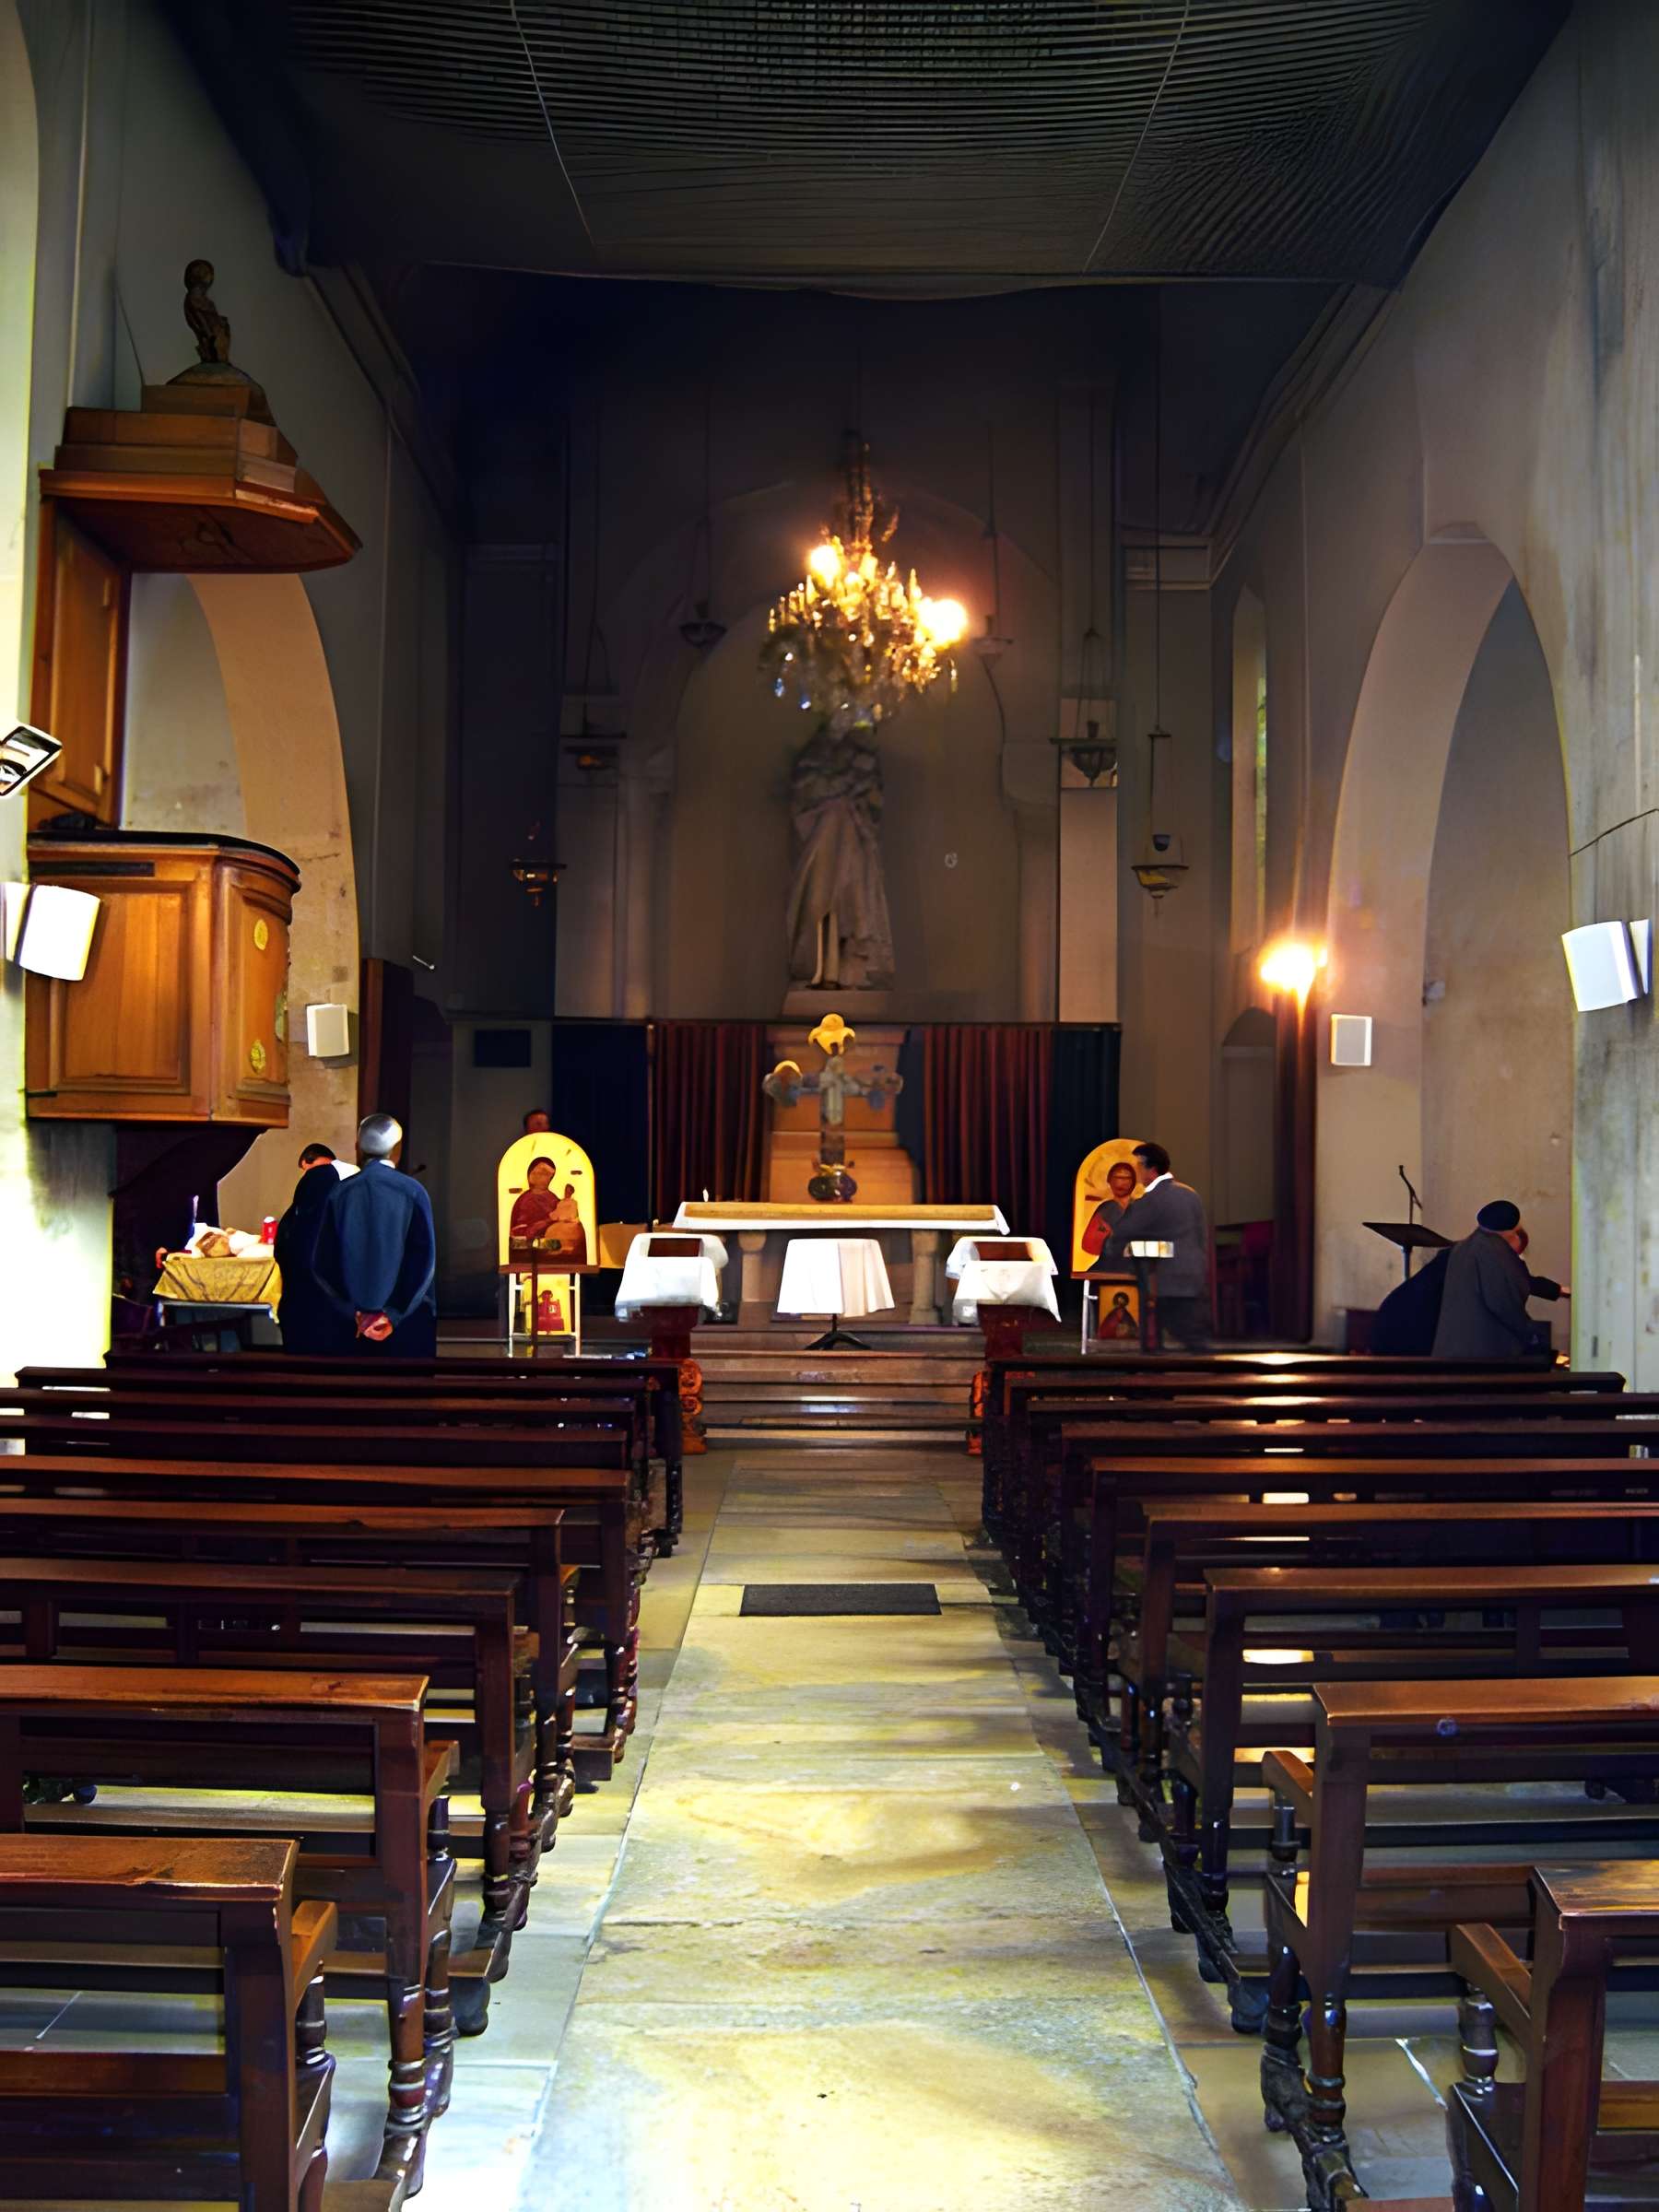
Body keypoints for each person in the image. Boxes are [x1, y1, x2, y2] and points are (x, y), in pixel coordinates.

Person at [312, 1112, 438, 1357]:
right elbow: (422, 1261)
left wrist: (354, 1312)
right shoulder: (413, 1192)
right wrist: (393, 1313)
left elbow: (323, 1262)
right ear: (397, 1150)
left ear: (358, 1147)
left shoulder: (339, 1193)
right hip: (405, 1324)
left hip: (351, 1326)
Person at [1372, 1220, 1566, 1355]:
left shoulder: (1464, 1253)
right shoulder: (1481, 1257)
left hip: (1396, 1321)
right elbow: (1511, 1294)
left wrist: (1558, 1290)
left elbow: (1521, 1281)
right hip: (1412, 1328)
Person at [1100, 1140, 1212, 1347]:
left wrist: (1110, 1251)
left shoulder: (1152, 1200)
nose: (1137, 1172)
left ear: (1150, 1169)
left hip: (1165, 1278)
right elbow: (1200, 1238)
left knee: (1185, 1338)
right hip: (1194, 1274)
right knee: (1194, 1337)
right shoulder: (1190, 1194)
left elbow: (1124, 1231)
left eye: (1138, 1167)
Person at [1430, 1198, 1547, 1359]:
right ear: (1510, 1230)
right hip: (1481, 1350)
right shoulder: (1494, 1250)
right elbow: (1502, 1301)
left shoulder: (1462, 1247)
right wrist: (1530, 1332)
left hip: (1454, 1347)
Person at [273, 1142, 352, 1355]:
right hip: (334, 1314)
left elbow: (281, 1252)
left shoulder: (294, 1217)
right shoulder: (342, 1214)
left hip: (298, 1309)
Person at [1081, 1159, 1138, 1270]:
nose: (1121, 1183)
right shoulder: (1105, 1209)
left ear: (1134, 1182)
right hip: (1108, 1264)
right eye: (1117, 1178)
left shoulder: (1141, 1207)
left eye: (1126, 1178)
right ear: (1109, 1181)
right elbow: (1088, 1244)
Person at [510, 1156, 560, 1247]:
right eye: (534, 1172)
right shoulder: (523, 1200)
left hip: (551, 1245)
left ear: (550, 1177)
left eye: (543, 1173)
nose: (537, 1175)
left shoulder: (554, 1200)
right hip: (525, 1245)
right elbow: (517, 1238)